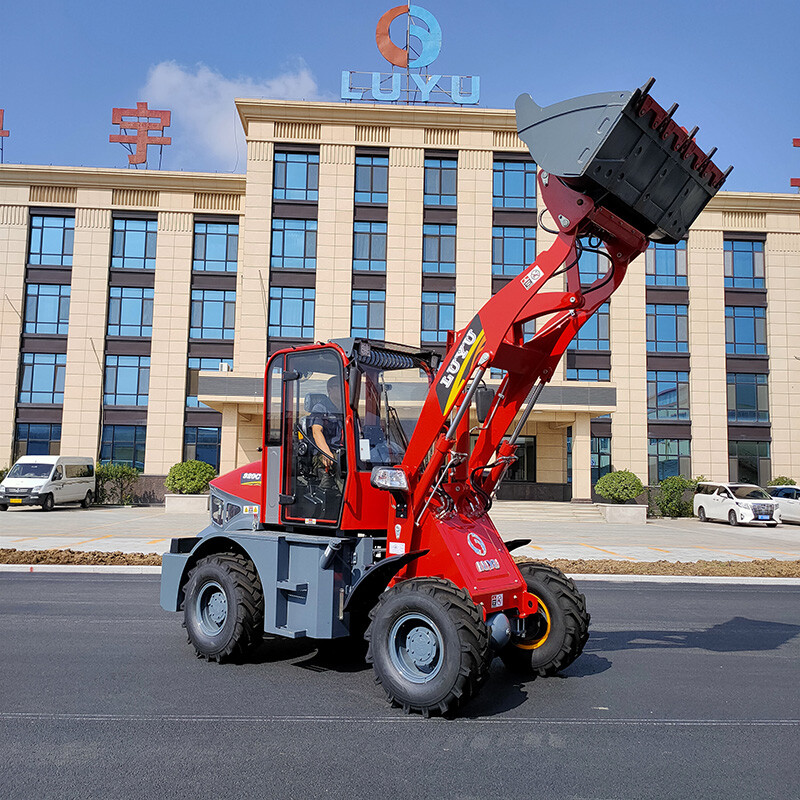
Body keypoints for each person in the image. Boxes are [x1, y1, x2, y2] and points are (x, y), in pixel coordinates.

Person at [308, 376, 345, 499]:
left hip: (343, 452)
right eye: (339, 387)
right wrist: (326, 453)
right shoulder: (321, 408)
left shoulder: (346, 409)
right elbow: (316, 431)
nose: (342, 389)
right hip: (324, 453)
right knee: (342, 466)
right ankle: (345, 498)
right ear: (330, 390)